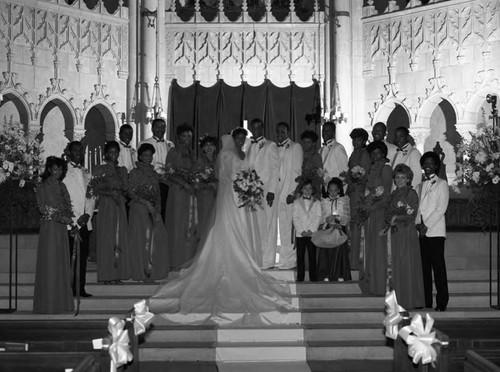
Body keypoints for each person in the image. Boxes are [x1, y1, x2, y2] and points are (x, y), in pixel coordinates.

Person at [149, 128, 292, 325]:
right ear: (233, 139)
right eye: (238, 138)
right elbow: (223, 176)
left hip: (240, 197)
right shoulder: (225, 154)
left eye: (243, 138)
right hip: (228, 196)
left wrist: (249, 185)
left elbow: (248, 171)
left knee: (241, 230)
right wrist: (240, 184)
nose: (241, 140)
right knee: (226, 229)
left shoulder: (245, 153)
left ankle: (243, 257)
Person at [33, 156, 74, 314]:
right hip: (49, 228)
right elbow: (43, 208)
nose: (58, 172)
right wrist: (60, 217)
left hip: (61, 229)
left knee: (61, 264)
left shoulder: (62, 186)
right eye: (55, 169)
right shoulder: (42, 186)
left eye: (60, 169)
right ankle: (48, 304)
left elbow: (67, 206)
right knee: (50, 264)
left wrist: (68, 218)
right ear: (49, 169)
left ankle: (61, 303)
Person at [384, 164, 424, 309]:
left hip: (406, 233)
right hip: (394, 233)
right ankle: (398, 299)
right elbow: (388, 212)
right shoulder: (393, 194)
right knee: (396, 265)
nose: (400, 180)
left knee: (406, 264)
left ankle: (409, 299)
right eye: (397, 177)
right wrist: (389, 219)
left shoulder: (411, 194)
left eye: (403, 177)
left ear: (408, 179)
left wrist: (398, 217)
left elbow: (411, 214)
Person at [128, 143, 169, 281]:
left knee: (156, 239)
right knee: (141, 239)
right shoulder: (134, 172)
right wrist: (146, 203)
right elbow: (131, 192)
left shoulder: (155, 174)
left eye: (150, 155)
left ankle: (151, 269)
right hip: (139, 209)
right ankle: (141, 270)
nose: (148, 157)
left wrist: (157, 208)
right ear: (139, 156)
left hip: (153, 210)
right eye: (145, 155)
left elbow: (158, 194)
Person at [91, 140, 131, 283]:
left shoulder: (122, 170)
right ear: (105, 154)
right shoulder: (99, 169)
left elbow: (126, 189)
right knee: (107, 239)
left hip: (119, 205)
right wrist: (109, 193)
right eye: (111, 152)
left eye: (116, 152)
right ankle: (107, 275)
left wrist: (125, 192)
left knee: (119, 238)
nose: (113, 155)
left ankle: (117, 274)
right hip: (107, 206)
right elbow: (94, 189)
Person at [416, 151, 449, 312]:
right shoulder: (420, 185)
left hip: (435, 232)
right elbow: (417, 209)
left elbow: (440, 209)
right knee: (424, 269)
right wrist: (417, 224)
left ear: (436, 166)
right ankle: (426, 300)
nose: (427, 166)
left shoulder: (442, 183)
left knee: (438, 268)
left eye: (430, 163)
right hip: (421, 233)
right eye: (425, 163)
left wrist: (425, 225)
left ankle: (442, 302)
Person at [358, 141, 393, 296]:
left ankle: (380, 285)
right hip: (370, 214)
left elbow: (386, 196)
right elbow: (369, 192)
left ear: (384, 154)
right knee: (370, 248)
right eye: (372, 153)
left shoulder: (385, 168)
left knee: (379, 250)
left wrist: (370, 207)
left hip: (379, 213)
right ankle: (371, 283)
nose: (375, 156)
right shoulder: (371, 169)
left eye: (378, 153)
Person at [63, 141, 95, 297]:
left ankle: (80, 288)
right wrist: (75, 220)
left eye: (81, 150)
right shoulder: (63, 171)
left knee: (82, 258)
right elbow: (63, 198)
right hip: (71, 223)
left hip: (85, 221)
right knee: (69, 258)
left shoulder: (86, 171)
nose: (78, 152)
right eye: (75, 150)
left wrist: (88, 214)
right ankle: (68, 289)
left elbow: (92, 195)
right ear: (68, 152)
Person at [247, 118, 280, 269]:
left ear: (263, 128)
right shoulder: (247, 145)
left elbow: (275, 169)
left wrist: (272, 191)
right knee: (256, 225)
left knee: (269, 224)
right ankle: (256, 258)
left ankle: (268, 260)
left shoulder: (270, 145)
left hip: (267, 191)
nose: (256, 130)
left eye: (259, 128)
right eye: (253, 128)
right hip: (251, 191)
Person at [164, 124, 197, 269]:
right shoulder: (173, 152)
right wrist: (184, 183)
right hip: (177, 192)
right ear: (178, 137)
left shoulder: (192, 154)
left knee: (189, 225)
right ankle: (176, 260)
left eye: (190, 137)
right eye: (184, 136)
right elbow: (169, 173)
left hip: (190, 194)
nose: (187, 139)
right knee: (177, 224)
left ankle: (188, 258)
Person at [276, 122, 303, 270]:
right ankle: (284, 259)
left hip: (289, 194)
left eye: (283, 131)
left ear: (288, 132)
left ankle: (291, 260)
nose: (280, 134)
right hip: (278, 193)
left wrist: (293, 192)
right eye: (278, 131)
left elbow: (297, 171)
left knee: (290, 228)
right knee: (283, 228)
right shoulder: (275, 147)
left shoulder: (295, 147)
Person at [139, 118, 175, 222]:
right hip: (151, 182)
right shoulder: (144, 143)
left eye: (163, 127)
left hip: (168, 182)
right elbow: (141, 164)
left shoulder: (171, 144)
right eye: (157, 127)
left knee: (166, 210)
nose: (160, 129)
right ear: (152, 128)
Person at [318, 178, 351, 282]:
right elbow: (321, 216)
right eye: (330, 190)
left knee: (339, 252)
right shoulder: (324, 201)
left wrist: (339, 221)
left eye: (335, 190)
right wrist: (326, 219)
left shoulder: (344, 200)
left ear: (339, 190)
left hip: (340, 228)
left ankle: (340, 274)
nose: (332, 192)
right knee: (327, 252)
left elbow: (347, 215)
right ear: (327, 190)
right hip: (328, 228)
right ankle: (326, 274)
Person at [347, 128, 371, 270]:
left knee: (358, 225)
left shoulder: (365, 154)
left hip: (360, 194)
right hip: (353, 193)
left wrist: (354, 181)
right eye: (353, 140)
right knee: (354, 225)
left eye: (358, 140)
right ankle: (353, 260)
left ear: (363, 141)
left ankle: (359, 261)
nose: (355, 142)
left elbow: (365, 175)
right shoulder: (354, 153)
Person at [292, 179, 322, 282]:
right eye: (305, 188)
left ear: (313, 190)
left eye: (309, 189)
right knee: (300, 257)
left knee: (312, 256)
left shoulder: (317, 202)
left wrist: (311, 230)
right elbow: (295, 217)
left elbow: (318, 217)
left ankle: (313, 277)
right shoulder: (296, 202)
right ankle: (300, 277)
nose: (307, 191)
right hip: (301, 234)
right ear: (301, 190)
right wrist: (301, 231)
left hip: (312, 234)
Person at [195, 134, 218, 236]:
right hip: (205, 195)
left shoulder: (219, 160)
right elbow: (195, 180)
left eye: (211, 145)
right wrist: (208, 184)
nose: (209, 147)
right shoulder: (200, 161)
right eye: (206, 145)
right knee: (205, 220)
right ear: (203, 148)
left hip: (218, 194)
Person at [319, 121, 348, 188]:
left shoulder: (338, 148)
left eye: (328, 131)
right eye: (324, 130)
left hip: (335, 190)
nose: (325, 133)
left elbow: (344, 172)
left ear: (333, 132)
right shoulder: (320, 150)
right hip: (323, 189)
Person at [299, 130, 323, 199]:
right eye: (304, 142)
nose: (305, 144)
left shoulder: (316, 157)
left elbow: (319, 175)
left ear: (314, 143)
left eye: (308, 142)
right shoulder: (301, 155)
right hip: (302, 190)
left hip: (313, 191)